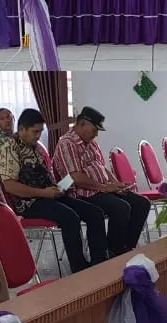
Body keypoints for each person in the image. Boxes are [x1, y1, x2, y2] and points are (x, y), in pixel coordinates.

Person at [0, 108, 109, 272]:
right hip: (30, 202)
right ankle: (79, 268)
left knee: (95, 212)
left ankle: (100, 262)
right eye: (35, 131)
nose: (38, 136)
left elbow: (48, 178)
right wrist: (44, 193)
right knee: (70, 218)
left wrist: (64, 184)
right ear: (22, 129)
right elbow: (10, 186)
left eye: (40, 131)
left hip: (49, 195)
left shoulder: (37, 148)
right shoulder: (9, 149)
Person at [52, 107, 151, 257]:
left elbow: (102, 167)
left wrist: (116, 184)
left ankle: (126, 247)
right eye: (94, 130)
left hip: (102, 188)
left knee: (142, 203)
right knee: (121, 207)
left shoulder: (91, 142)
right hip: (82, 192)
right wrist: (104, 187)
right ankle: (114, 252)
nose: (96, 134)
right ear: (82, 124)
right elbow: (75, 177)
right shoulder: (67, 143)